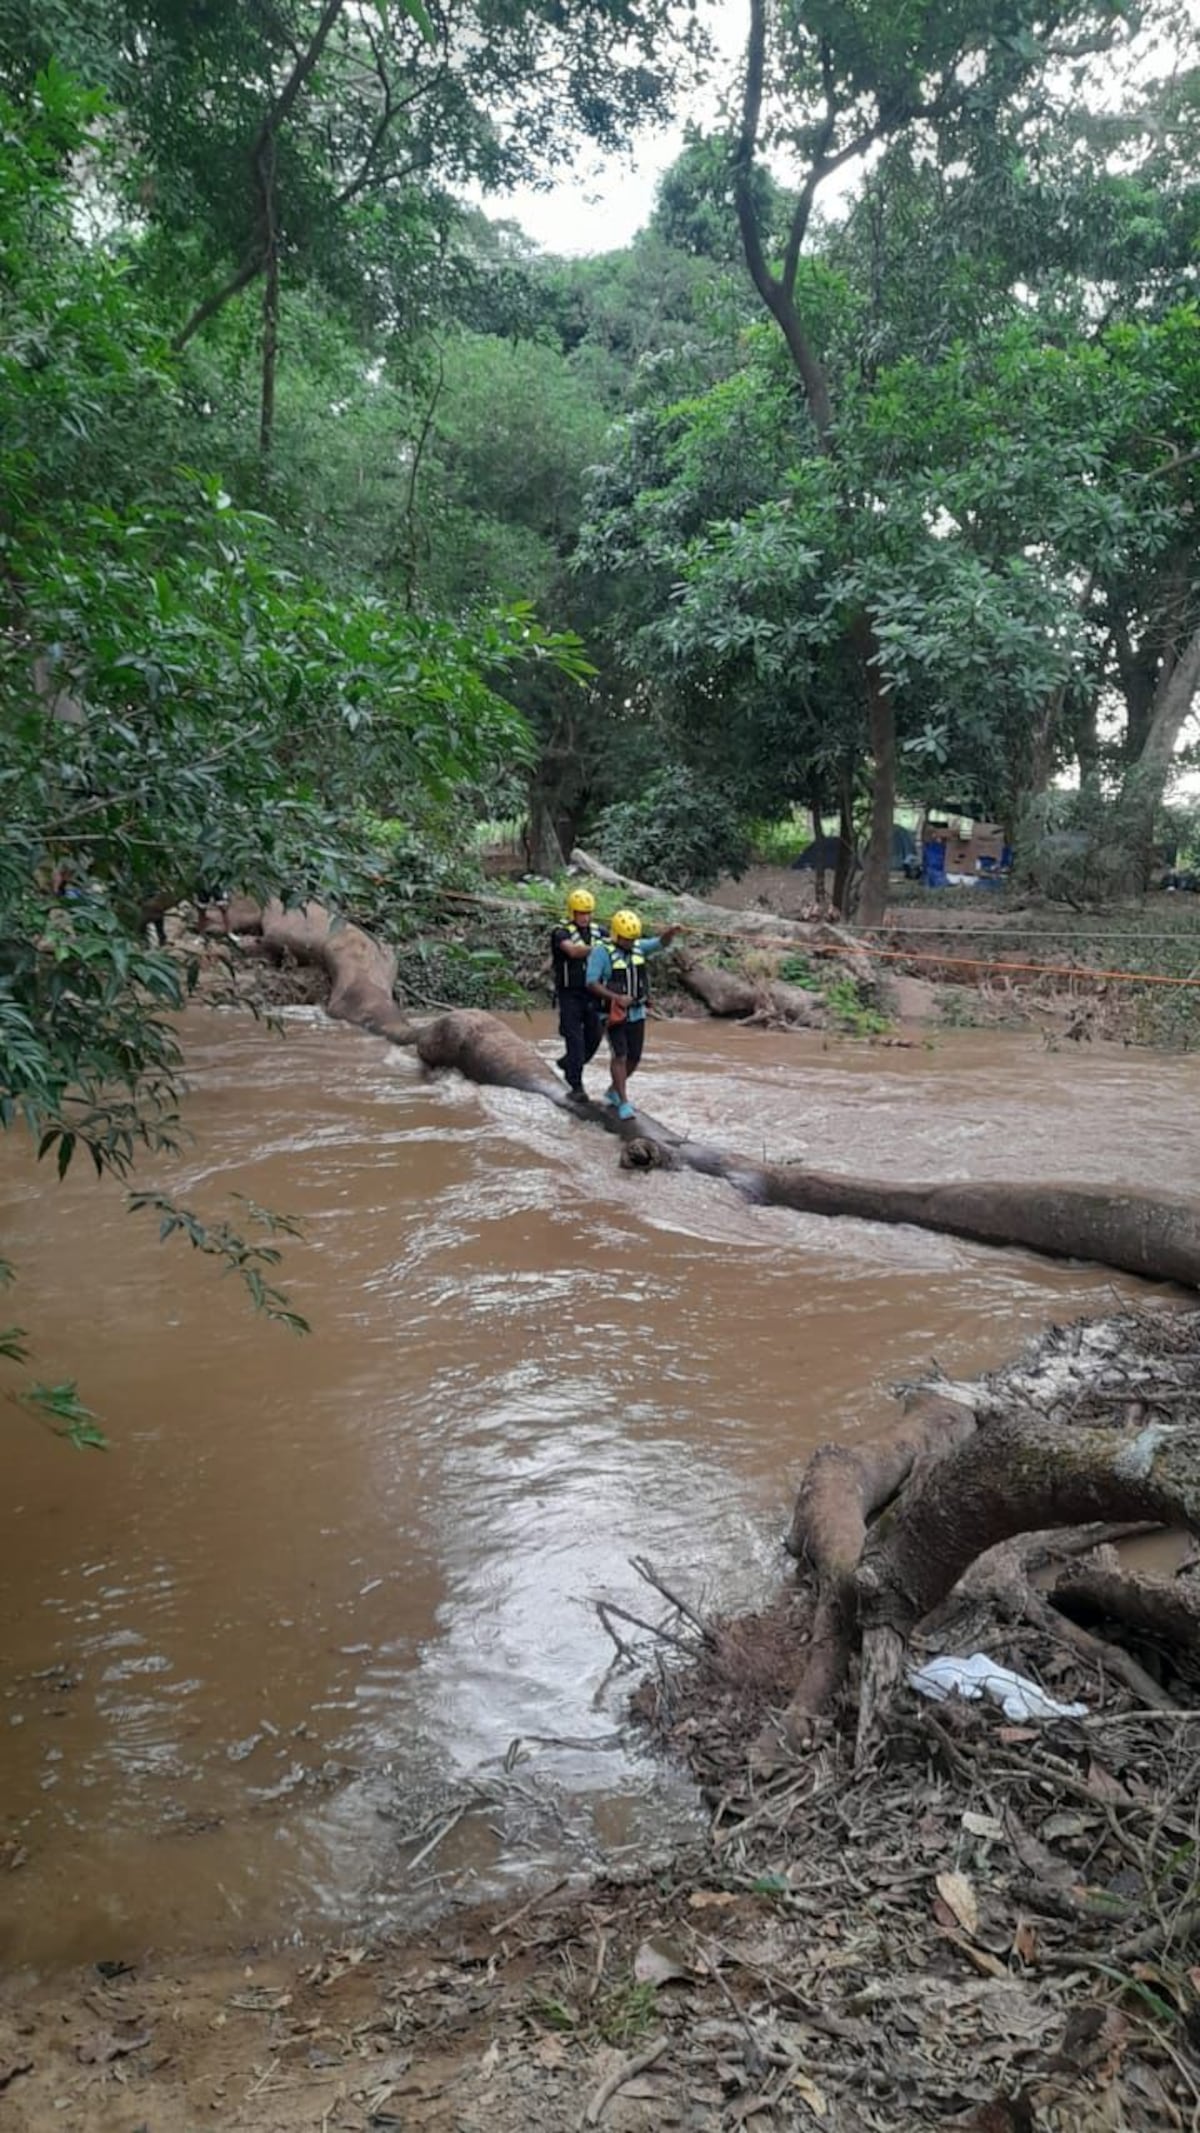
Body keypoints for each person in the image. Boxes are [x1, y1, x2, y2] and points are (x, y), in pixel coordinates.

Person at [587, 908, 682, 1120]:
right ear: (616, 935)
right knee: (619, 1055)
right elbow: (591, 983)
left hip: (637, 1013)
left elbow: (660, 943)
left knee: (634, 1058)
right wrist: (615, 997)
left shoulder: (638, 947)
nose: (630, 943)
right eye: (626, 939)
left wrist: (670, 932)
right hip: (613, 1013)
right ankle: (623, 1101)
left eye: (633, 939)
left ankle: (613, 1090)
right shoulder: (601, 952)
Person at [551, 887, 607, 1098]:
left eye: (588, 913)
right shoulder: (561, 932)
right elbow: (573, 951)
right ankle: (576, 1086)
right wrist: (601, 949)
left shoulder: (600, 932)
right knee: (575, 1040)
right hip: (569, 995)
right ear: (572, 913)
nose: (585, 917)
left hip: (593, 993)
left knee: (593, 1038)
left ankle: (568, 1064)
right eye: (581, 913)